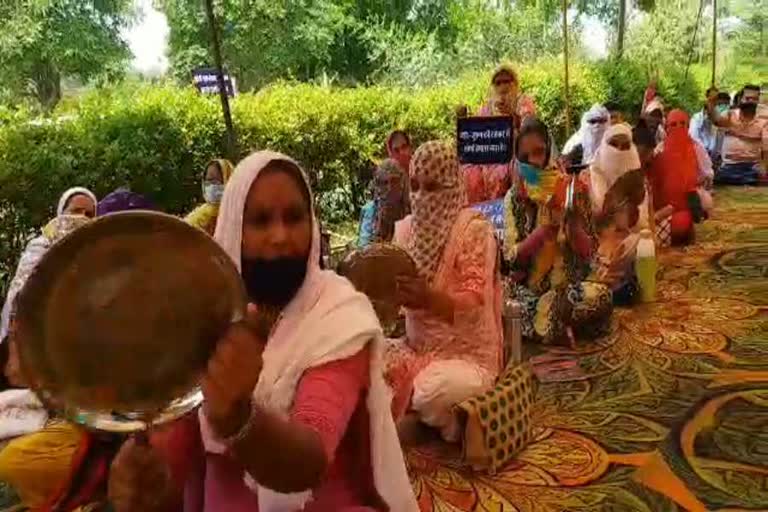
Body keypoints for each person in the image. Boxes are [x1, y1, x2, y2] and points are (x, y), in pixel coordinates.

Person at [108, 151, 417, 512]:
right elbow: (175, 445)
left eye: (294, 218)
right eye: (260, 221)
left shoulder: (338, 315)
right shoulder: (205, 320)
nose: (280, 236)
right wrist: (145, 478)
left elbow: (310, 457)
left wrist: (239, 419)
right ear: (233, 230)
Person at [385, 141, 502, 443]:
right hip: (416, 349)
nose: (421, 197)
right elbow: (390, 298)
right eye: (415, 186)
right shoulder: (406, 231)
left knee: (429, 391)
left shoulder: (474, 230)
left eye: (432, 187)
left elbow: (474, 304)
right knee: (364, 364)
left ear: (451, 186)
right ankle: (431, 421)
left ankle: (442, 424)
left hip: (467, 357)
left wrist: (428, 298)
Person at [503, 118, 611, 344]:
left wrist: (572, 226)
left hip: (569, 288)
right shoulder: (514, 198)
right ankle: (556, 323)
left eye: (539, 152)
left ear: (549, 151)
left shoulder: (572, 189)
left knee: (601, 296)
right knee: (504, 298)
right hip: (529, 291)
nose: (533, 161)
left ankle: (548, 323)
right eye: (525, 157)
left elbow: (589, 252)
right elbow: (510, 258)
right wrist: (540, 235)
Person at [0, 187, 97, 345]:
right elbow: (20, 297)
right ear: (62, 213)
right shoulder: (40, 246)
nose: (82, 218)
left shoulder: (96, 255)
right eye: (76, 211)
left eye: (89, 214)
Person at [463, 64, 538, 204]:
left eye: (507, 81)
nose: (503, 86)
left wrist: (512, 115)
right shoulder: (486, 108)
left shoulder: (523, 102)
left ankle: (516, 212)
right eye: (498, 82)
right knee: (469, 173)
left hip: (517, 153)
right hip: (490, 157)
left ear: (515, 83)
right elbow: (476, 138)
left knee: (516, 168)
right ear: (493, 87)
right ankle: (481, 211)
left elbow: (531, 131)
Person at [649, 110, 711, 245]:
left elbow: (708, 174)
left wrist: (693, 184)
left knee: (683, 222)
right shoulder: (660, 149)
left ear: (688, 126)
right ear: (666, 128)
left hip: (689, 201)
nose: (678, 128)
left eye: (682, 124)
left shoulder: (697, 147)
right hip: (662, 206)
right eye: (673, 124)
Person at [709, 84, 768, 185]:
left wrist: (764, 166)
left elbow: (766, 146)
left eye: (754, 99)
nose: (750, 101)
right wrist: (711, 102)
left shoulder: (764, 119)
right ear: (741, 99)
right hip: (729, 167)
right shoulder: (730, 115)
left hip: (752, 167)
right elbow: (716, 120)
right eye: (747, 98)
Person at [185, 159, 235, 236]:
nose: (211, 186)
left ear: (228, 180)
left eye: (216, 181)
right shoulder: (199, 217)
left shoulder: (238, 216)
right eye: (208, 181)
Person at [690, 88, 729, 166]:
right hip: (699, 158)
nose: (714, 102)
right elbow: (693, 138)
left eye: (716, 99)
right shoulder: (696, 119)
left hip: (714, 161)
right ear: (707, 99)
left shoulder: (720, 120)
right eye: (712, 99)